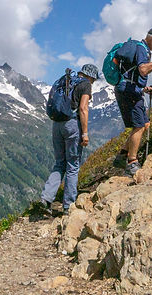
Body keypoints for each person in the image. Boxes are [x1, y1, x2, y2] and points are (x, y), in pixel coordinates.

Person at [40, 64, 100, 213]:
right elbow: (83, 109)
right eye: (93, 79)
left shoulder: (67, 81)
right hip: (71, 125)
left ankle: (46, 198)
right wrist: (85, 133)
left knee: (60, 163)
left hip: (57, 125)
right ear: (91, 76)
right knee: (73, 166)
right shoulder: (85, 85)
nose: (93, 82)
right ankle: (68, 206)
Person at [111, 27, 152, 176]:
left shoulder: (141, 49)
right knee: (138, 126)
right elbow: (143, 70)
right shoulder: (141, 49)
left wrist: (144, 88)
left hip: (130, 89)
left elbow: (134, 73)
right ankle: (132, 163)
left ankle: (122, 155)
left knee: (144, 124)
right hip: (129, 92)